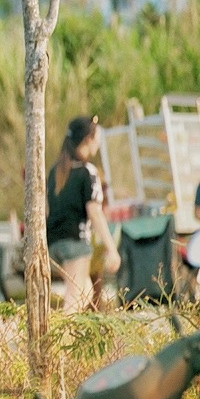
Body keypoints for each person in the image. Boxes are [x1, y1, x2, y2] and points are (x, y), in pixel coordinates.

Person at [47, 115, 121, 313]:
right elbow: (95, 212)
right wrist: (111, 248)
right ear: (88, 139)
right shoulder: (88, 172)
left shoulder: (55, 171)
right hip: (75, 242)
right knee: (75, 296)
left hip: (53, 242)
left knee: (86, 291)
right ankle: (57, 341)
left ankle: (60, 335)